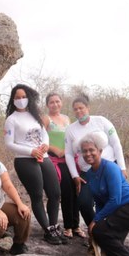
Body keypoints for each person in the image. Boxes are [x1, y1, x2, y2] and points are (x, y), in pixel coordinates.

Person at [4, 84, 65, 245]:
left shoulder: (35, 115)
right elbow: (9, 143)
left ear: (29, 98)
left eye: (23, 96)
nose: (21, 100)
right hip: (25, 159)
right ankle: (47, 230)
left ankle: (54, 226)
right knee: (37, 195)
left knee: (55, 193)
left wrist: (45, 145)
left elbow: (44, 134)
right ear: (13, 100)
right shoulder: (12, 119)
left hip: (43, 157)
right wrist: (30, 151)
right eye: (17, 97)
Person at [80, 131, 129, 256]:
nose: (88, 154)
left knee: (99, 232)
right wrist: (96, 220)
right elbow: (99, 201)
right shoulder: (90, 173)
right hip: (120, 208)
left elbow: (115, 199)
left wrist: (96, 222)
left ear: (100, 150)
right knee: (109, 243)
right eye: (84, 151)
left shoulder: (110, 168)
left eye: (91, 150)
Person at [65, 94, 127, 228]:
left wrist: (122, 167)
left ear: (88, 108)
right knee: (84, 202)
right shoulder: (70, 129)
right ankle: (96, 231)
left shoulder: (101, 121)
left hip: (109, 168)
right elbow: (69, 154)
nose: (79, 111)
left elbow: (116, 144)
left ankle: (113, 232)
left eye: (81, 108)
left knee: (114, 200)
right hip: (87, 172)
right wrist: (75, 176)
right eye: (75, 109)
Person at [42, 92, 85, 239]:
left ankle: (76, 225)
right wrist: (54, 149)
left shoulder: (66, 118)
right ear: (47, 104)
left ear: (61, 102)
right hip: (55, 160)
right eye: (51, 102)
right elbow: (39, 140)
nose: (55, 104)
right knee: (66, 191)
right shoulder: (45, 119)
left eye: (57, 101)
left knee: (76, 190)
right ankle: (68, 227)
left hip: (70, 158)